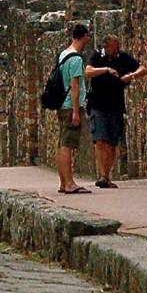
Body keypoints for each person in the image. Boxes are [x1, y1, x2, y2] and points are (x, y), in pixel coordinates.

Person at [85, 35, 143, 189]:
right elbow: (88, 71)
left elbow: (142, 68)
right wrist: (106, 69)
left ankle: (106, 175)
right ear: (106, 46)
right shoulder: (97, 56)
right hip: (98, 105)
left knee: (112, 142)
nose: (116, 49)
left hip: (116, 106)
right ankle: (102, 175)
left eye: (118, 46)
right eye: (114, 47)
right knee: (100, 140)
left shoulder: (122, 57)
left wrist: (131, 76)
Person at [55, 23, 92, 194]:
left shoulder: (64, 54)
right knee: (67, 144)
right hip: (71, 105)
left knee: (62, 143)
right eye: (87, 36)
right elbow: (75, 85)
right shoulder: (76, 59)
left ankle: (63, 182)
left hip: (62, 103)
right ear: (84, 36)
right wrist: (76, 111)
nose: (88, 40)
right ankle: (69, 183)